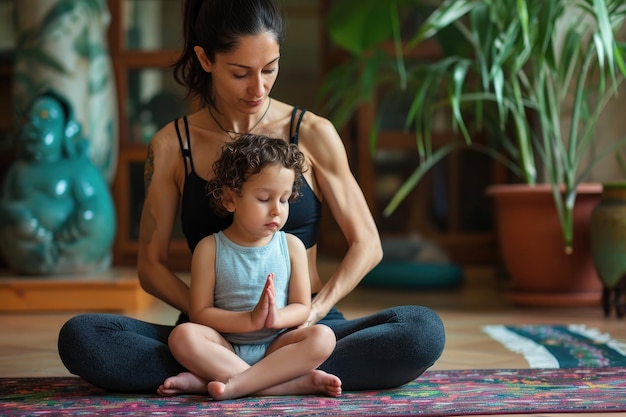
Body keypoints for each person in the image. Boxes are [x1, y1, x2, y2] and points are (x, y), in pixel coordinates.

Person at [58, 0, 446, 394]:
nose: (258, 88)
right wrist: (219, 320)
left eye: (270, 69)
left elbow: (368, 244)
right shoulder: (173, 145)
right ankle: (285, 382)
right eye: (240, 73)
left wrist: (314, 311)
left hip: (300, 331)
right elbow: (151, 266)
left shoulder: (312, 133)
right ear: (205, 59)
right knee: (83, 336)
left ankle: (225, 380)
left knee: (420, 331)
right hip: (211, 335)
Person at [161, 134, 341, 400]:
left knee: (324, 337)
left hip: (277, 345)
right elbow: (199, 313)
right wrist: (249, 320)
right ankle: (286, 384)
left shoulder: (292, 247)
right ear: (230, 199)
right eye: (264, 198)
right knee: (182, 336)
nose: (277, 211)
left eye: (283, 199)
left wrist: (275, 318)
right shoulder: (209, 249)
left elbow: (302, 308)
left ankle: (229, 383)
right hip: (225, 345)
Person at [0, 90, 115, 275]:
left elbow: (98, 208)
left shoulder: (79, 168)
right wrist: (22, 223)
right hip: (28, 248)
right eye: (30, 120)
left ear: (66, 129)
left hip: (71, 245)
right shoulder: (17, 171)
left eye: (45, 118)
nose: (35, 125)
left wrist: (71, 233)